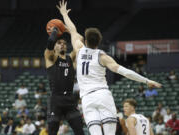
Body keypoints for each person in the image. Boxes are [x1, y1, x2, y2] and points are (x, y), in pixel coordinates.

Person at [57, 1, 161, 135]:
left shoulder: (79, 49)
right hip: (102, 95)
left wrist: (64, 14)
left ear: (86, 41)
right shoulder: (102, 56)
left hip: (87, 99)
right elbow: (124, 71)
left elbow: (72, 30)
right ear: (98, 42)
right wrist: (146, 81)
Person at [45, 2, 84, 135]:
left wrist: (69, 30)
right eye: (59, 43)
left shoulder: (71, 58)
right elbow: (50, 42)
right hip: (55, 100)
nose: (62, 45)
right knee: (52, 132)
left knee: (80, 131)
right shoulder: (50, 58)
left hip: (70, 101)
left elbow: (80, 39)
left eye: (64, 43)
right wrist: (55, 29)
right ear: (55, 47)